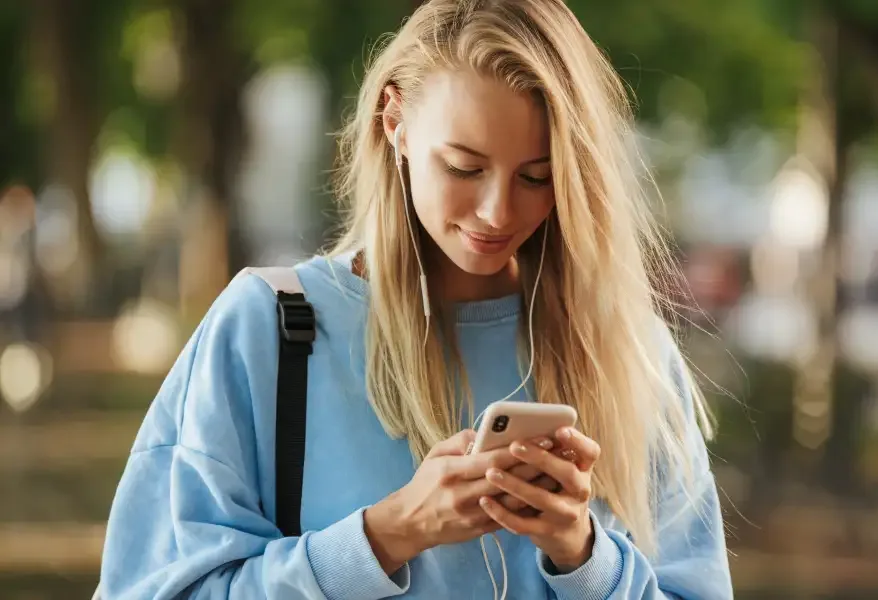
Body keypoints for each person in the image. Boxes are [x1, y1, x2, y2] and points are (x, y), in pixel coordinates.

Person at [98, 0, 733, 598]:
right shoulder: (268, 328)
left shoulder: (628, 350)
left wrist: (585, 558)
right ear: (394, 123)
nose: (498, 212)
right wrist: (388, 535)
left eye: (537, 176)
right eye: (464, 167)